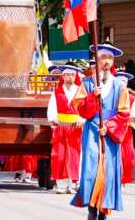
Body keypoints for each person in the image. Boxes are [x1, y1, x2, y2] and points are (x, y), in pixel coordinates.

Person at [71, 43, 131, 220]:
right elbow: (79, 108)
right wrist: (92, 97)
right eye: (103, 58)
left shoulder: (120, 85)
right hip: (91, 132)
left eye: (109, 58)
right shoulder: (87, 84)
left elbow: (124, 112)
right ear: (97, 61)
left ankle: (104, 210)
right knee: (91, 171)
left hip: (110, 134)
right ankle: (91, 207)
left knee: (108, 172)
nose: (106, 62)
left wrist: (110, 127)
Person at [47, 64, 84, 194]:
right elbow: (52, 107)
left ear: (76, 76)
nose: (70, 77)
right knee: (60, 155)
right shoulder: (57, 92)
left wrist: (82, 119)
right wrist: (53, 119)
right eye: (67, 74)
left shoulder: (80, 91)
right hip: (61, 127)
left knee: (75, 155)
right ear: (63, 76)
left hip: (75, 128)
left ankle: (73, 184)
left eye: (73, 74)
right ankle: (61, 185)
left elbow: (85, 108)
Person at [114, 69, 135, 185]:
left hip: (125, 133)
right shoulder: (108, 97)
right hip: (111, 132)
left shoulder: (131, 99)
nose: (121, 85)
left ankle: (123, 180)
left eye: (124, 82)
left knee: (126, 157)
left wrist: (124, 120)